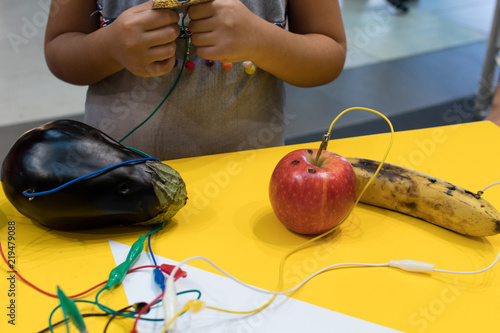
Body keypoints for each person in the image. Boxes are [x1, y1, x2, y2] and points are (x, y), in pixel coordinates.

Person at [44, 0, 346, 160]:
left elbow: (329, 53)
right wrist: (109, 46)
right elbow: (61, 48)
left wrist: (264, 42)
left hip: (248, 182)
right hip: (115, 177)